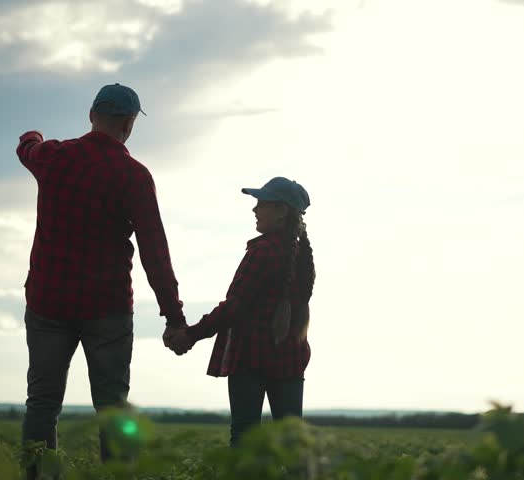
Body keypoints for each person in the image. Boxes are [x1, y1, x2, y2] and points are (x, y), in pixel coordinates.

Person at [16, 83, 188, 476]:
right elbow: (154, 252)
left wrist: (34, 137)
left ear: (92, 115)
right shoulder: (134, 175)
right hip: (106, 308)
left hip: (48, 303)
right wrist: (173, 316)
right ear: (129, 124)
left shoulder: (54, 157)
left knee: (42, 402)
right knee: (112, 406)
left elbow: (26, 147)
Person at [167, 177, 316, 448]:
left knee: (245, 439)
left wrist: (190, 334)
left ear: (281, 211)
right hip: (291, 359)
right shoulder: (303, 257)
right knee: (294, 446)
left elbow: (234, 307)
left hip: (251, 358)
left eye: (261, 204)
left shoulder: (262, 251)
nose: (255, 210)